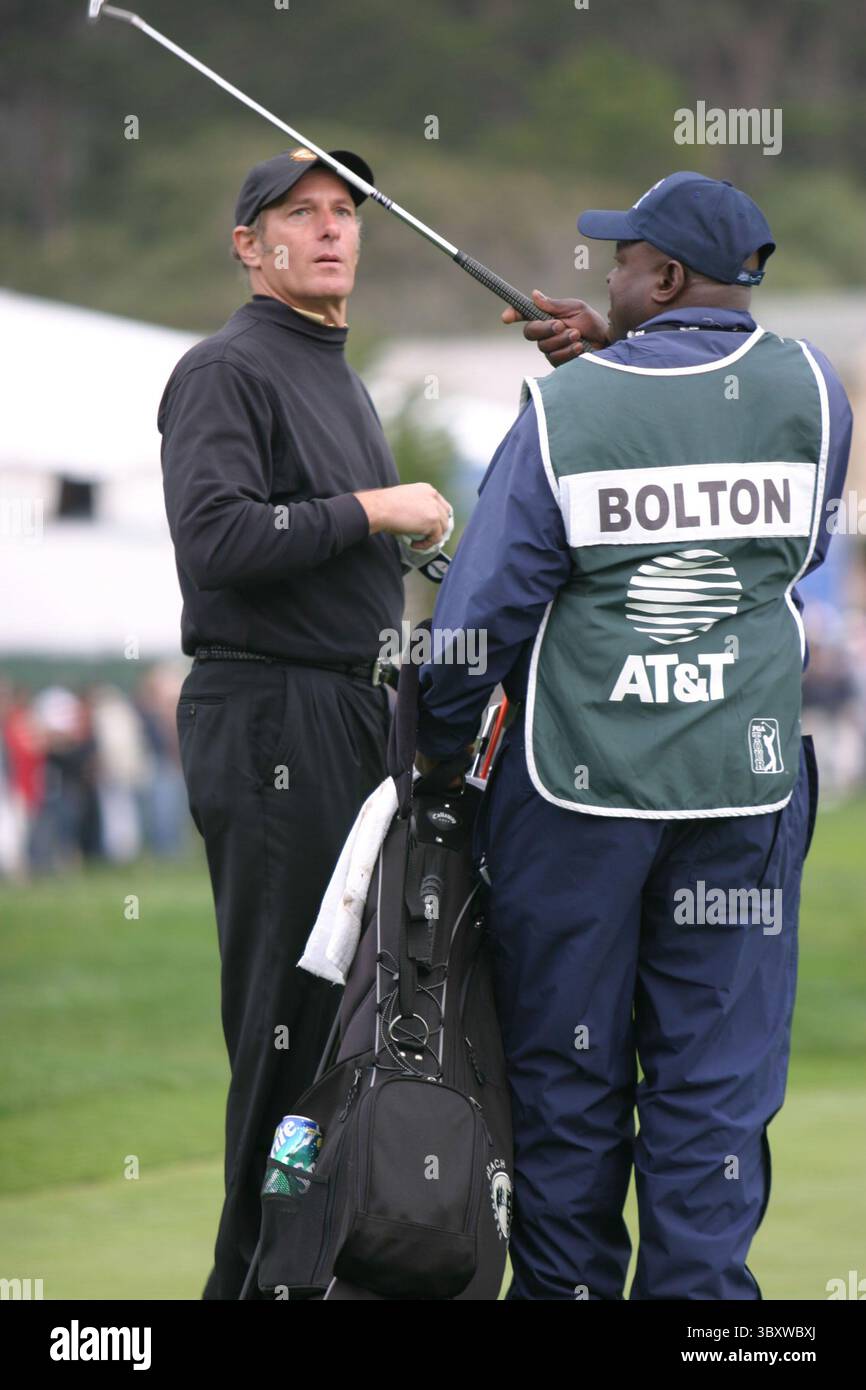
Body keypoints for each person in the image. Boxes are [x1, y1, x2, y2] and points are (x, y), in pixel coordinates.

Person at [415, 172, 853, 1299]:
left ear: (660, 278)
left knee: (567, 1087)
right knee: (713, 1091)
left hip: (577, 793)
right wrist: (627, 355)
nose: (600, 276)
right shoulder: (814, 388)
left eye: (619, 262)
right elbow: (791, 554)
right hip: (744, 791)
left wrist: (436, 751)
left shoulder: (564, 409)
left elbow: (479, 621)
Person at [158, 146, 452, 1299]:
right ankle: (244, 1285)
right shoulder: (224, 368)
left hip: (343, 708)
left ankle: (306, 1277)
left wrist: (398, 542)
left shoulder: (334, 372)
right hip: (267, 711)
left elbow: (322, 536)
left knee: (341, 1024)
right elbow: (219, 539)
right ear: (248, 246)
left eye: (346, 212)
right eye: (299, 213)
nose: (331, 229)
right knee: (287, 1026)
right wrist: (377, 507)